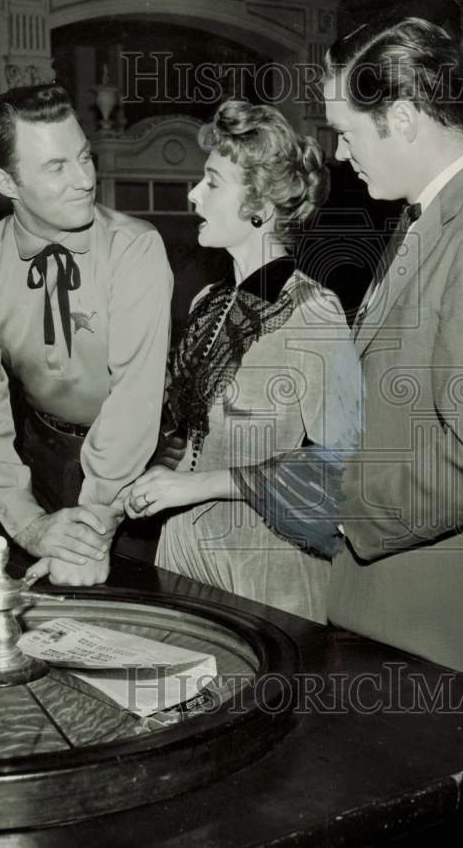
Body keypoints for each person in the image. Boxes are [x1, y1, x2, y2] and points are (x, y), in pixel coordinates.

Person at [234, 18, 463, 766]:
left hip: (453, 630)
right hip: (405, 612)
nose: (339, 155)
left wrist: (344, 507)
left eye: (348, 133)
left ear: (404, 117)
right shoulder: (434, 221)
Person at [122, 100, 360, 624]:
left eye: (211, 182)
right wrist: (150, 478)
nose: (192, 195)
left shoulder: (314, 313)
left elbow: (343, 471)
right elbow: (192, 438)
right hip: (184, 560)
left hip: (266, 577)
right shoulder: (208, 300)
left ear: (260, 206)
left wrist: (198, 485)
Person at [0, 84, 173, 586]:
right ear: (7, 181)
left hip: (138, 469)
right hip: (40, 461)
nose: (84, 180)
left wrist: (91, 527)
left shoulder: (136, 248)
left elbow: (134, 404)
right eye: (55, 167)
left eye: (84, 158)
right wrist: (29, 523)